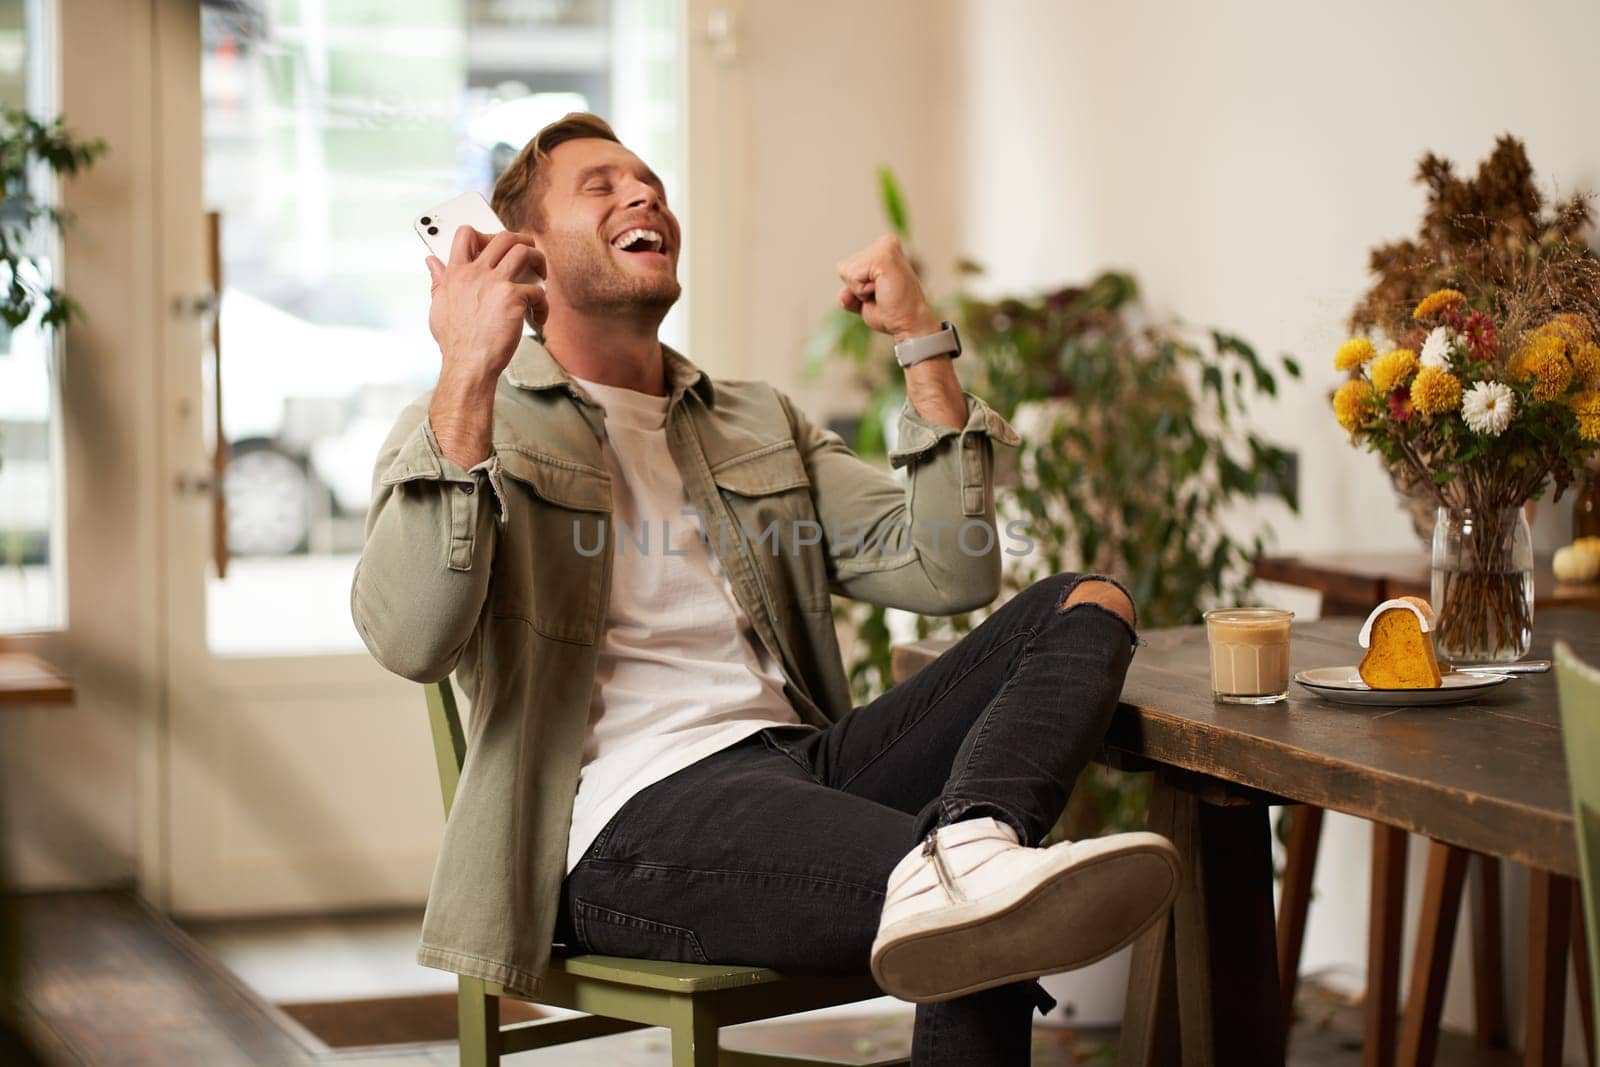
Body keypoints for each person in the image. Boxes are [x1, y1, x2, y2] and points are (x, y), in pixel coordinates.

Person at [352, 112, 1180, 1065]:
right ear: (522, 256)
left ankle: (974, 841)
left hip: (802, 762)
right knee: (980, 919)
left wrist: (920, 342)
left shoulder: (755, 420)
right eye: (601, 185)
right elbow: (410, 637)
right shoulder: (463, 418)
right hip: (624, 820)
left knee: (1085, 605)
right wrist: (467, 370)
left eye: (648, 178)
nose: (643, 194)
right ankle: (968, 865)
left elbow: (951, 565)